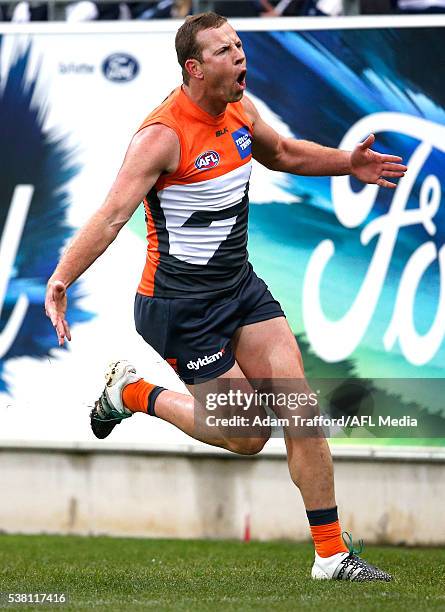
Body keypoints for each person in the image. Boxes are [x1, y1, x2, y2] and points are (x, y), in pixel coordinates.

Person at [45, 12, 406, 581]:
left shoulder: (240, 109)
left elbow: (282, 153)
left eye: (239, 46)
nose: (240, 57)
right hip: (178, 309)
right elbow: (113, 215)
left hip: (239, 288)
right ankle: (133, 393)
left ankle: (332, 555)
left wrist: (348, 164)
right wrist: (63, 277)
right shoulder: (162, 135)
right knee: (247, 433)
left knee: (299, 404)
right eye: (225, 51)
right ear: (194, 68)